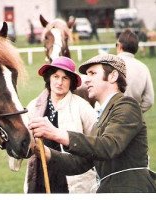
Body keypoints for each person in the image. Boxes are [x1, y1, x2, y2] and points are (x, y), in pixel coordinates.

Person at [28, 54, 156, 193]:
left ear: (113, 76)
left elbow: (108, 146)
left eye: (92, 73)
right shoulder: (102, 116)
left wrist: (56, 133)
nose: (86, 80)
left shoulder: (127, 105)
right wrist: (43, 152)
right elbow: (80, 163)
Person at [24, 56, 97, 193]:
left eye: (65, 78)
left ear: (71, 82)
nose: (59, 82)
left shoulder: (82, 106)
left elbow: (95, 142)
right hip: (41, 174)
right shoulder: (34, 106)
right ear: (49, 78)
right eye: (56, 76)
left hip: (72, 178)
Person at [116, 29, 154, 113]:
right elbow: (149, 100)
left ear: (119, 46)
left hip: (110, 119)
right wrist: (135, 113)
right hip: (133, 119)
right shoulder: (143, 68)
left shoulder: (109, 64)